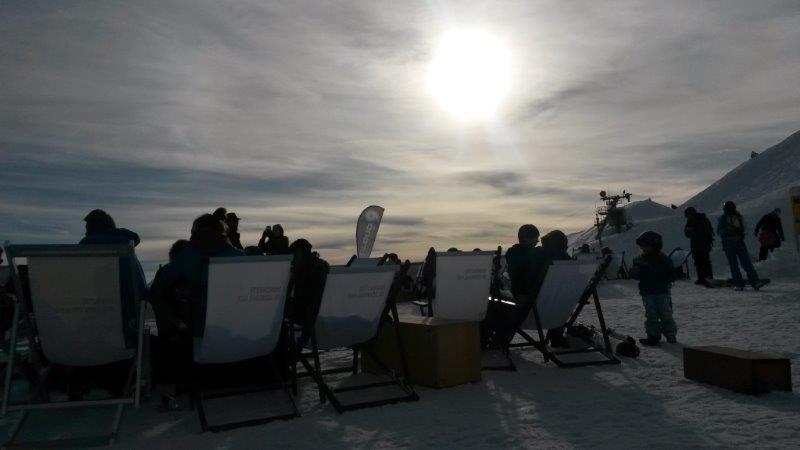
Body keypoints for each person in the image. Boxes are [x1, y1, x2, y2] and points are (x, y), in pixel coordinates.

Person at [629, 231, 677, 346]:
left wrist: (670, 277)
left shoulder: (664, 259)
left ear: (655, 246)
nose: (644, 249)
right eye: (642, 247)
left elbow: (672, 272)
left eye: (646, 246)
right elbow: (633, 274)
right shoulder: (639, 260)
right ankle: (653, 335)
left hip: (662, 291)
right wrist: (635, 272)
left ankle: (670, 333)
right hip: (647, 292)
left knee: (666, 313)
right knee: (651, 314)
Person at [286, 239, 329, 347]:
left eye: (293, 256)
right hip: (318, 314)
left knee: (277, 310)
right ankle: (295, 346)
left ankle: (286, 348)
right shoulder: (323, 266)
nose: (292, 260)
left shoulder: (302, 270)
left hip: (306, 314)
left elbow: (296, 297)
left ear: (299, 253)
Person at [717, 201, 761, 290]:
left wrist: (738, 231)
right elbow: (720, 231)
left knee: (743, 263)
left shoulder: (737, 217)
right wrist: (729, 230)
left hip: (734, 242)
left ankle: (748, 282)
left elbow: (744, 228)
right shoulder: (725, 218)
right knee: (739, 264)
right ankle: (747, 282)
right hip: (732, 242)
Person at [539, 230, 573, 347]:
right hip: (562, 307)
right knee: (561, 299)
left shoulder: (541, 256)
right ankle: (557, 335)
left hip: (540, 304)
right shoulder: (567, 260)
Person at [683, 207, 715, 285]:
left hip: (697, 245)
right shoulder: (703, 219)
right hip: (703, 244)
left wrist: (692, 230)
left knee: (700, 262)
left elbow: (687, 233)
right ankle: (707, 277)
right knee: (704, 261)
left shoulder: (692, 221)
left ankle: (702, 278)